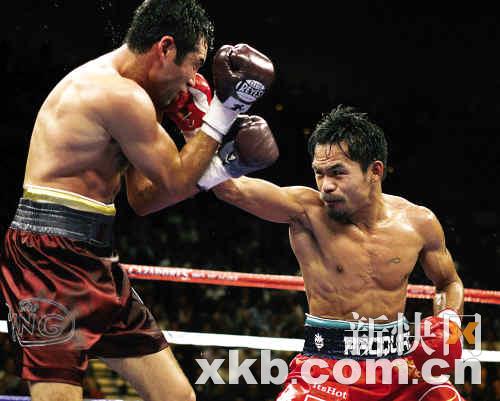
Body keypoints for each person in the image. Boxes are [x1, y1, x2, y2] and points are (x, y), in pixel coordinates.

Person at [0, 0, 275, 400]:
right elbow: (176, 177)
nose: (195, 78)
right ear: (165, 48)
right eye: (195, 63)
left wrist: (223, 168)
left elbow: (145, 199)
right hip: (47, 257)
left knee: (177, 396)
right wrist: (224, 112)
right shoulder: (118, 95)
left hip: (95, 256)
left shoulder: (140, 100)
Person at [210, 105, 466, 400]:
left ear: (375, 171)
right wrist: (204, 125)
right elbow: (230, 189)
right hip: (325, 371)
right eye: (319, 173)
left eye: (337, 173)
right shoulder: (306, 211)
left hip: (401, 371)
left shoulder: (419, 222)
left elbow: (449, 282)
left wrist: (450, 320)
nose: (326, 186)